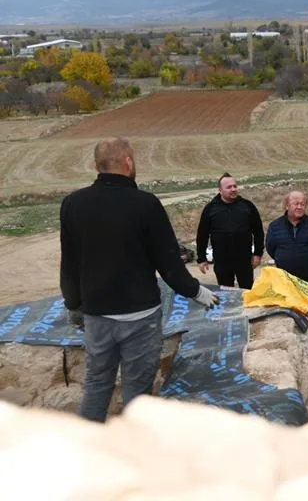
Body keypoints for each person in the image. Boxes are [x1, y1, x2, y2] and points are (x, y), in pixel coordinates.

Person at [60, 137, 219, 424]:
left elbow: (69, 263)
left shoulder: (73, 204)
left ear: (96, 166)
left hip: (97, 316)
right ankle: (134, 446)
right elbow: (169, 262)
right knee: (138, 393)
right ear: (128, 162)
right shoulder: (145, 204)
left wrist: (73, 303)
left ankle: (86, 443)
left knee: (97, 384)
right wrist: (196, 292)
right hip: (140, 318)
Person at [195, 173, 265, 289]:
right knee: (226, 294)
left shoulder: (247, 206)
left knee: (247, 292)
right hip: (222, 262)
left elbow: (258, 231)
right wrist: (201, 258)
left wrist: (258, 254)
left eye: (235, 186)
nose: (233, 189)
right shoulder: (210, 209)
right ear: (220, 190)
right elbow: (202, 235)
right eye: (229, 187)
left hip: (244, 260)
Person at [265, 190, 308, 287]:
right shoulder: (275, 226)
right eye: (296, 204)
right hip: (284, 282)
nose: (299, 207)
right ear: (287, 206)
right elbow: (270, 248)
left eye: (302, 204)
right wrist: (282, 258)